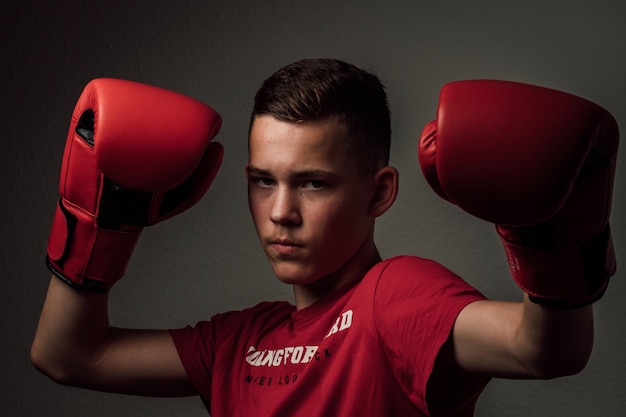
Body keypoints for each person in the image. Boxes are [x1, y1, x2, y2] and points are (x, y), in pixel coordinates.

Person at [31, 59, 618, 416]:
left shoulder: (394, 297)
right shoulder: (237, 343)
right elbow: (67, 356)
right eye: (263, 181)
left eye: (313, 184)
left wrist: (548, 238)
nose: (280, 212)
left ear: (380, 193)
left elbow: (543, 349)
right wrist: (100, 226)